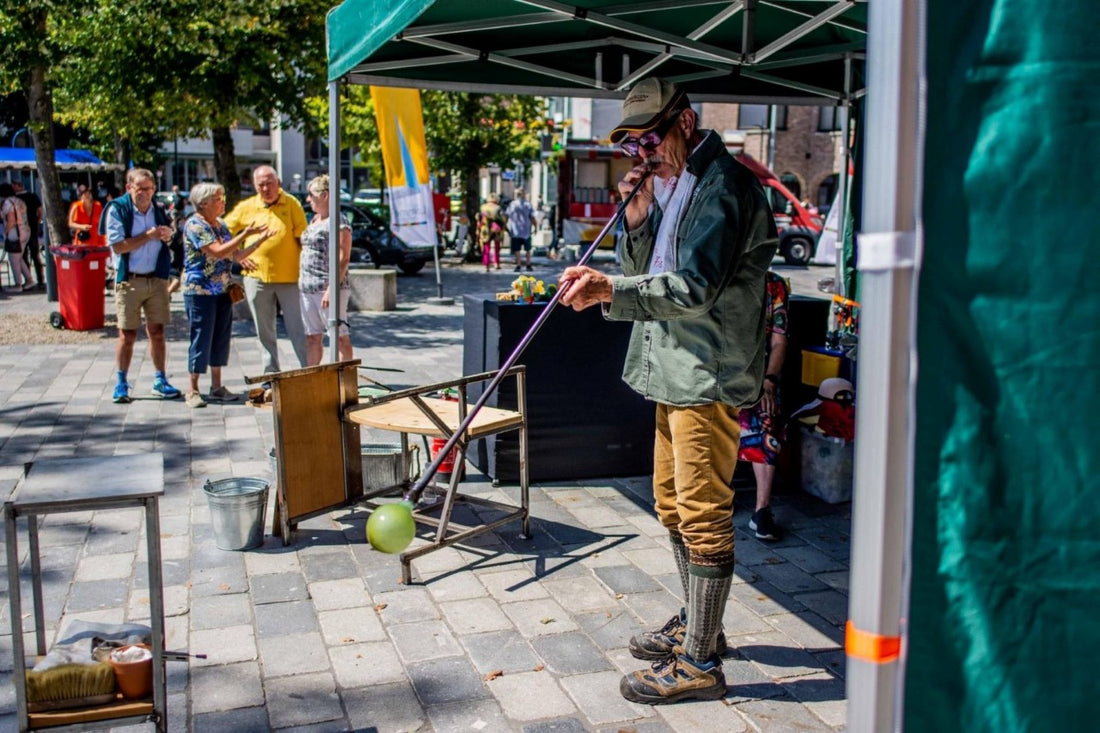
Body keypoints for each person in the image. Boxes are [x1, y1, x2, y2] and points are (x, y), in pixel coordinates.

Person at [558, 77, 777, 705]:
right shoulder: (675, 185)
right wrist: (634, 221)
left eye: (649, 140)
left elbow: (695, 289)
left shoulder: (724, 187)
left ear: (684, 121)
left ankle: (702, 659)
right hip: (671, 368)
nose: (641, 156)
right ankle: (697, 621)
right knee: (672, 503)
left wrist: (608, 291)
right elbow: (645, 273)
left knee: (704, 514)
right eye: (630, 147)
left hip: (705, 372)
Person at [180, 182, 267, 408]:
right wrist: (244, 233)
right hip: (200, 291)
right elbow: (218, 252)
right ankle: (193, 389)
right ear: (204, 203)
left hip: (221, 289)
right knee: (201, 337)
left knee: (220, 337)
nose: (223, 202)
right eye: (219, 199)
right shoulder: (195, 225)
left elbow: (235, 255)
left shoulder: (219, 224)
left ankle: (217, 386)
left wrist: (259, 241)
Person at [104, 168, 181, 404]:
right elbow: (117, 246)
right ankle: (121, 382)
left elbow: (168, 237)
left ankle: (160, 379)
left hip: (156, 279)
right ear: (129, 188)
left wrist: (167, 235)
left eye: (149, 189)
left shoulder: (157, 209)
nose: (145, 193)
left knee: (157, 332)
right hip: (130, 279)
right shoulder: (118, 209)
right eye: (140, 188)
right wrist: (148, 236)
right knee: (127, 334)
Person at [224, 165, 309, 374]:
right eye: (261, 184)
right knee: (264, 331)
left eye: (270, 183)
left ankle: (308, 371)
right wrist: (237, 257)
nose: (266, 188)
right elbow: (223, 231)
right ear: (255, 186)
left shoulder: (291, 204)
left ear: (278, 183)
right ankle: (270, 374)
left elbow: (303, 239)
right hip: (256, 279)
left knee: (298, 328)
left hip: (290, 277)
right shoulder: (247, 206)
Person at [737, 271, 791, 540]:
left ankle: (762, 510)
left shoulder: (774, 285)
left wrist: (769, 380)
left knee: (769, 413)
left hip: (759, 376)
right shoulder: (718, 273)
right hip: (720, 374)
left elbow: (779, 340)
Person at [299, 174, 353, 365]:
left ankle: (343, 383)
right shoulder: (315, 219)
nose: (308, 199)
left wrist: (332, 288)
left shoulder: (338, 220)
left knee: (339, 337)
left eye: (311, 195)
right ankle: (313, 380)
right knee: (312, 337)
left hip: (327, 288)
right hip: (307, 287)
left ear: (325, 196)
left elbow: (344, 256)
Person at [2, 183, 36, 292]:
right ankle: (29, 280)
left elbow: (11, 220)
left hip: (15, 232)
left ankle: (18, 284)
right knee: (19, 258)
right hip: (26, 230)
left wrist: (5, 231)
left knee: (13, 259)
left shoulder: (7, 203)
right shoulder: (19, 201)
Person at [12, 181, 44, 288]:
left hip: (21, 229)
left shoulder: (14, 199)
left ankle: (28, 279)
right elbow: (40, 210)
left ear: (18, 186)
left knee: (24, 256)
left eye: (14, 185)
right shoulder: (32, 196)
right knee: (35, 255)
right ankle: (40, 279)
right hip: (32, 228)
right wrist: (37, 221)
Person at [506, 186, 537, 272]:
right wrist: (536, 227)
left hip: (515, 230)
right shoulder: (528, 204)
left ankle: (518, 264)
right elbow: (532, 217)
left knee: (517, 249)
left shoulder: (512, 204)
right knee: (527, 249)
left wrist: (506, 227)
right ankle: (528, 264)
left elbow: (507, 216)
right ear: (524, 195)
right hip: (526, 230)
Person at [477, 193, 505, 272]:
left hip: (485, 229)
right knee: (496, 247)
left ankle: (486, 265)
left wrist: (478, 228)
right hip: (496, 228)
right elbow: (502, 218)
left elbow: (479, 218)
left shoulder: (483, 207)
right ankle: (496, 263)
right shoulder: (498, 208)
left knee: (486, 247)